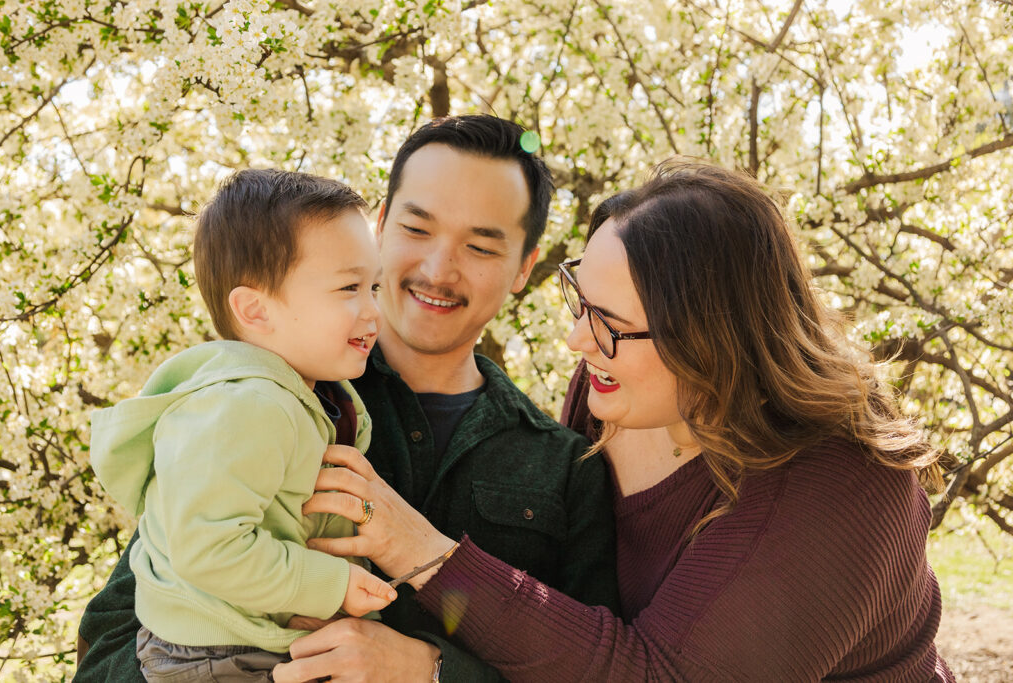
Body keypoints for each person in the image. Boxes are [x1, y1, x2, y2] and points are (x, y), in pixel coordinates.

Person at [282, 159, 955, 681]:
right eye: (582, 300)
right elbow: (571, 623)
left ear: (713, 340)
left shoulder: (839, 486)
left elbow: (658, 673)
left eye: (611, 324)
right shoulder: (616, 389)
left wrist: (423, 557)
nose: (579, 342)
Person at [76, 116, 619, 682]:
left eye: (481, 247)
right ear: (378, 228)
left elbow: (588, 672)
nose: (438, 270)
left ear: (523, 269)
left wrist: (435, 673)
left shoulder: (566, 470)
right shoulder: (256, 400)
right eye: (416, 228)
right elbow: (117, 634)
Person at [87, 169, 396, 680]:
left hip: (245, 633)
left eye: (375, 286)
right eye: (349, 288)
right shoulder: (247, 407)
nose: (373, 311)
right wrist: (332, 584)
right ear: (255, 309)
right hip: (215, 651)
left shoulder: (309, 394)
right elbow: (210, 548)